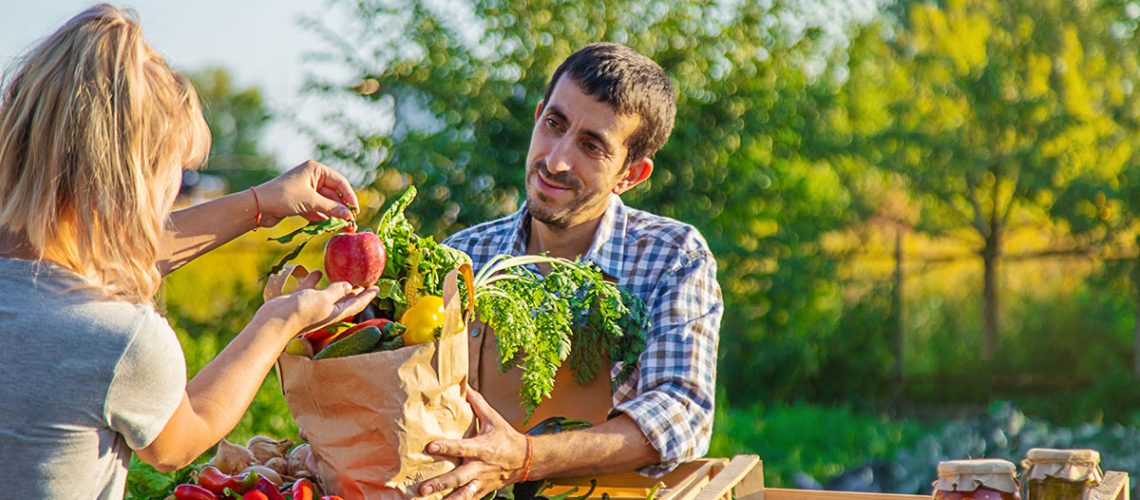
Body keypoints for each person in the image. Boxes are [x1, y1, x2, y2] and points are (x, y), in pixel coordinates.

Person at [0, 5, 378, 497]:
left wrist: (259, 203)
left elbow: (74, 266)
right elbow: (182, 439)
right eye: (177, 174)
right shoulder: (118, 340)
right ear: (135, 181)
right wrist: (279, 321)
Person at [423, 43, 722, 498]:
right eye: (554, 124)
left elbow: (680, 412)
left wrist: (525, 459)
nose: (556, 160)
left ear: (632, 174)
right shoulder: (463, 255)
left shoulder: (671, 256)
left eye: (592, 146)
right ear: (539, 114)